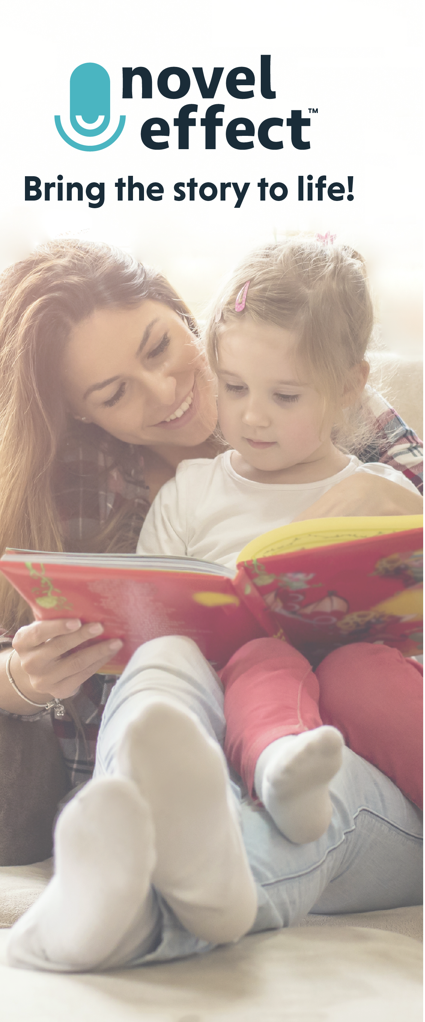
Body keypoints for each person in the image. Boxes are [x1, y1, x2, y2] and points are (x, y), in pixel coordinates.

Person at [0, 238, 422, 974]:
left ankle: (123, 908)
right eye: (114, 393)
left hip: (345, 760)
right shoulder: (98, 484)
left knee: (300, 793)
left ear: (185, 316)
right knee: (165, 656)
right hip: (193, 749)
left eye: (160, 346)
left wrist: (391, 499)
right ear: (81, 415)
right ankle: (144, 806)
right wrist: (28, 674)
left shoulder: (318, 384)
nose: (163, 389)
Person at [136, 241, 423, 847]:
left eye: (284, 396)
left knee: (359, 670)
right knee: (263, 659)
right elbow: (154, 629)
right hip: (245, 701)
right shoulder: (191, 493)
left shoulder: (383, 492)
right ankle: (282, 768)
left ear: (349, 386)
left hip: (374, 708)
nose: (253, 418)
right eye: (234, 387)